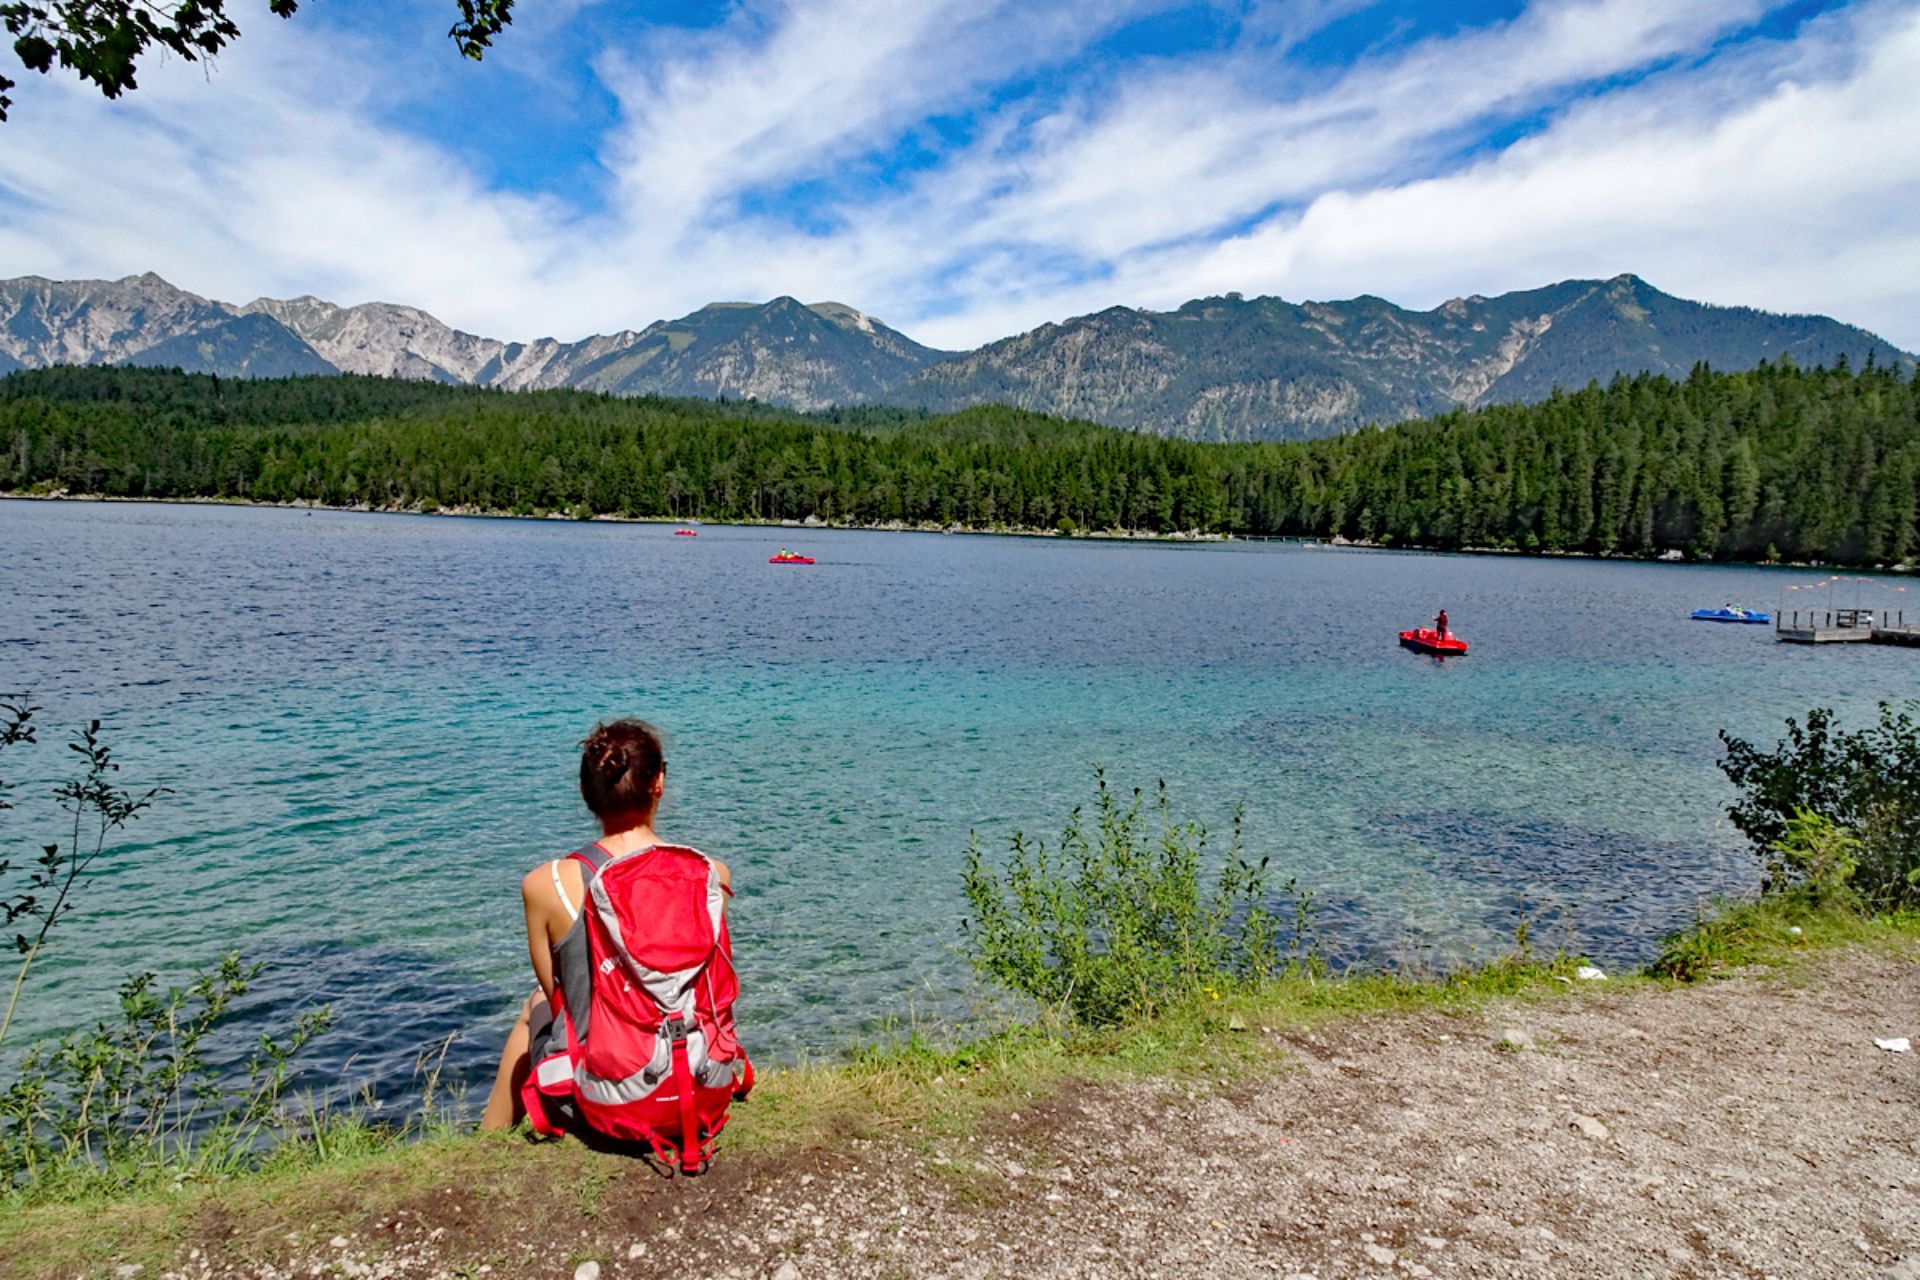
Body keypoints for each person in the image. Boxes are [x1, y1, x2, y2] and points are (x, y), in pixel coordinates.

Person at [481, 720, 745, 1151]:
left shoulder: (545, 884)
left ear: (585, 793)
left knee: (537, 1005)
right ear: (658, 782)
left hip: (610, 1104)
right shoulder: (711, 875)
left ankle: (487, 1145)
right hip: (702, 1088)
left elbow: (560, 996)